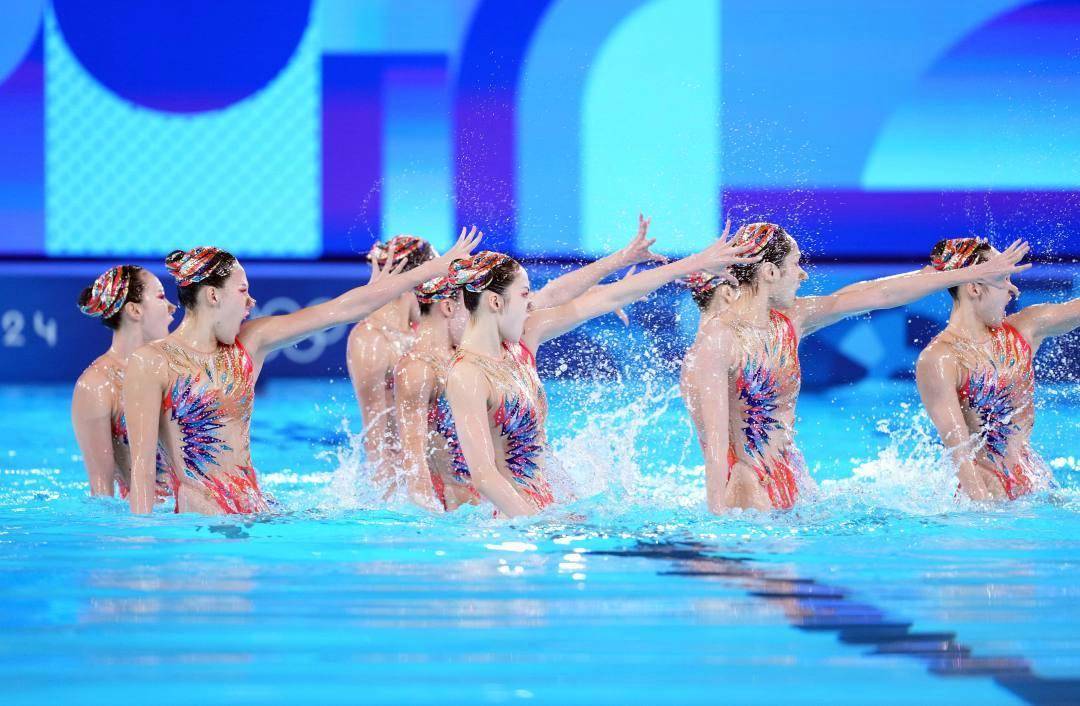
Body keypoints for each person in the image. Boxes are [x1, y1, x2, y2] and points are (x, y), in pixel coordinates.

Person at [122, 228, 482, 514]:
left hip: (254, 511)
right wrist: (143, 552)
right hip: (201, 521)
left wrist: (431, 271)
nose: (250, 304)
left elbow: (342, 309)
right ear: (213, 297)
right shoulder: (152, 362)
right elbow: (142, 472)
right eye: (242, 292)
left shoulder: (250, 343)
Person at [680, 223, 1031, 513]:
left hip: (789, 478)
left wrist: (969, 272)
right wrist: (717, 526)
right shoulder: (720, 338)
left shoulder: (789, 320)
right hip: (746, 486)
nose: (802, 274)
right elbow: (714, 443)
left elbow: (878, 295)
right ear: (770, 272)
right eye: (796, 264)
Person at [444, 217, 759, 517]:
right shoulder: (468, 375)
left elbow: (610, 296)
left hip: (554, 504)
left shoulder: (522, 341)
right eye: (525, 295)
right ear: (495, 303)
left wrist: (693, 264)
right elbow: (484, 476)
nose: (532, 303)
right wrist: (537, 525)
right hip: (519, 520)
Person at [393, 216, 665, 511]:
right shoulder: (424, 370)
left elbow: (552, 296)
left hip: (513, 498)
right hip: (472, 513)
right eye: (469, 304)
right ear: (450, 307)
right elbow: (414, 465)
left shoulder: (496, 347)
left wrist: (618, 264)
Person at [916, 237, 1080, 501]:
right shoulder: (940, 359)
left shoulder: (1025, 328)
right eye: (1003, 279)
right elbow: (959, 451)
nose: (1013, 290)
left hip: (1035, 482)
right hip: (987, 491)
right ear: (974, 288)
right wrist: (981, 508)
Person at [72, 265, 177, 499]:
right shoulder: (96, 386)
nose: (172, 307)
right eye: (161, 296)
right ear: (134, 311)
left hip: (191, 511)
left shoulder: (174, 368)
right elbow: (102, 496)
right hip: (149, 520)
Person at [346, 234, 439, 477]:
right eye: (435, 282)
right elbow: (375, 433)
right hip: (403, 478)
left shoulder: (419, 330)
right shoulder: (370, 339)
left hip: (435, 470)